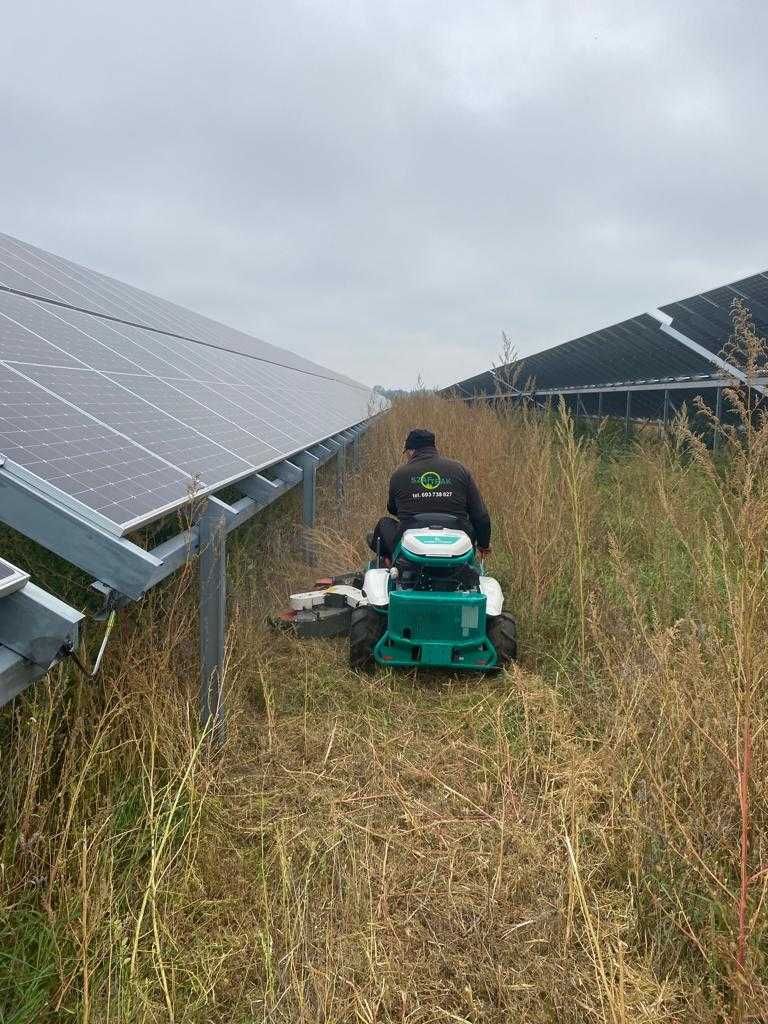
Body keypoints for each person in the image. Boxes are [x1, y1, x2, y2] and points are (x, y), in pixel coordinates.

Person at [369, 428, 491, 561]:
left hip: (410, 543)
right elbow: (481, 516)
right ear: (433, 447)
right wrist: (483, 545)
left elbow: (392, 509)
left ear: (411, 451)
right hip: (458, 541)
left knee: (384, 523)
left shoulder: (399, 475)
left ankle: (389, 562)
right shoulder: (460, 470)